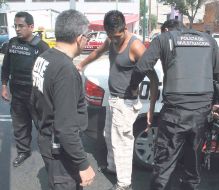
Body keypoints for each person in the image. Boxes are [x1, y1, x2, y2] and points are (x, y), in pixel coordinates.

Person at [129, 20, 219, 190]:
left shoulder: (163, 39)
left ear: (167, 30)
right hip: (201, 114)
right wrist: (218, 103)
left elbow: (141, 68)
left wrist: (133, 88)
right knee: (193, 163)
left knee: (165, 164)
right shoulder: (209, 41)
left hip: (175, 114)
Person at [76, 10, 158, 190]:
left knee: (123, 144)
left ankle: (124, 184)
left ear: (124, 28)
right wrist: (81, 64)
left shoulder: (136, 47)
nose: (115, 40)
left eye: (118, 36)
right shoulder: (111, 39)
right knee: (109, 137)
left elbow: (153, 78)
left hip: (126, 103)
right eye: (111, 37)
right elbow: (98, 52)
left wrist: (151, 107)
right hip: (113, 99)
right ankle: (113, 167)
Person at [31, 10, 95, 190]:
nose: (88, 39)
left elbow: (34, 101)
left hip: (47, 139)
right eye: (88, 35)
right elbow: (65, 127)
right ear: (79, 37)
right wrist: (83, 164)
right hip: (60, 150)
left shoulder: (44, 58)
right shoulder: (65, 70)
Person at [1, 11, 49, 167]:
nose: (17, 29)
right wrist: (3, 86)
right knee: (20, 125)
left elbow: (49, 72)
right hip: (17, 93)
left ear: (31, 26)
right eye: (15, 26)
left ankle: (49, 156)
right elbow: (6, 67)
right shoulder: (12, 43)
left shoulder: (41, 46)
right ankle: (23, 151)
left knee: (42, 126)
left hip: (36, 95)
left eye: (21, 26)